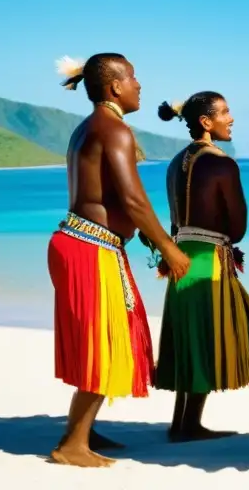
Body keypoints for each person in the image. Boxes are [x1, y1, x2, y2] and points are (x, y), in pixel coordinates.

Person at [48, 54, 189, 468]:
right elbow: (131, 199)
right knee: (103, 339)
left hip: (82, 243)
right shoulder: (113, 130)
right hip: (89, 248)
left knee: (101, 337)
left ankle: (83, 430)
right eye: (133, 78)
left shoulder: (90, 128)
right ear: (114, 87)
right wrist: (169, 247)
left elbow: (114, 200)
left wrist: (147, 237)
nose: (139, 85)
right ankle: (72, 445)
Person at [152, 92, 249, 442]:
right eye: (225, 113)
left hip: (180, 255)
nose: (231, 119)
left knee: (189, 338)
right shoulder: (222, 163)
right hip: (209, 258)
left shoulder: (174, 163)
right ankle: (188, 427)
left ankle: (181, 423)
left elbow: (174, 220)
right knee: (212, 335)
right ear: (206, 122)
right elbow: (238, 227)